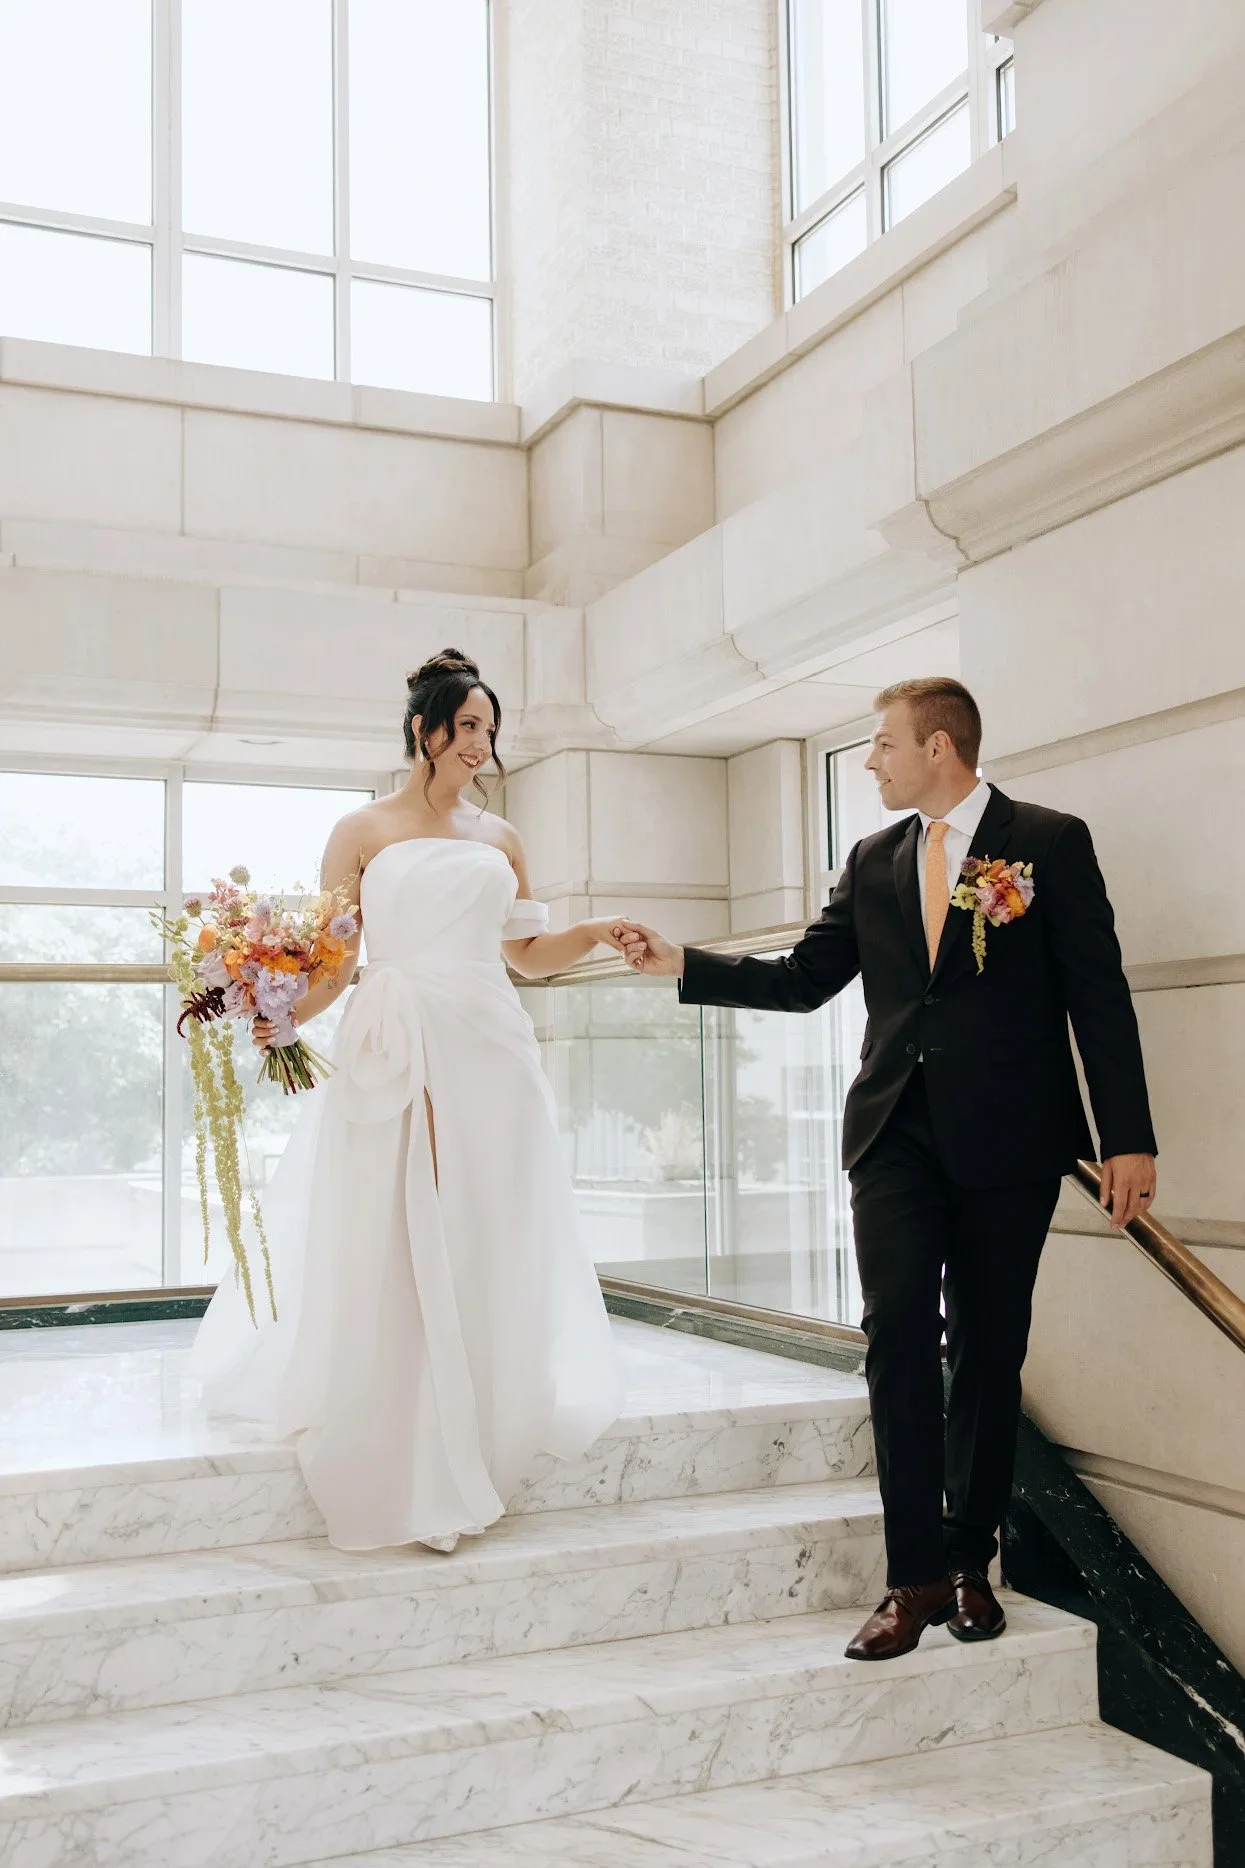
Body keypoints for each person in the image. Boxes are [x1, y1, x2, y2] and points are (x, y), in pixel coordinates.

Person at [617, 677, 1157, 1659]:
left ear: (940, 748)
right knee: (897, 1332)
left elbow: (1097, 992)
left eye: (881, 745)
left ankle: (970, 1560)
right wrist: (681, 964)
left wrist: (1128, 1135)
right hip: (893, 1137)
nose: (869, 761)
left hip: (1012, 1140)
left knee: (991, 1348)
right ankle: (911, 1578)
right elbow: (803, 978)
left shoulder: (1048, 840)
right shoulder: (872, 860)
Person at [192, 650, 625, 1553]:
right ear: (424, 730)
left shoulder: (501, 838)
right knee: (394, 1212)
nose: (480, 746)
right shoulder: (361, 828)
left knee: (485, 1214)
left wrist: (591, 931)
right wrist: (273, 1010)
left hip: (489, 1039)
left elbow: (526, 956)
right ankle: (403, 1416)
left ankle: (483, 1399)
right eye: (466, 728)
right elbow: (338, 957)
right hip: (396, 1032)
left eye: (489, 732)